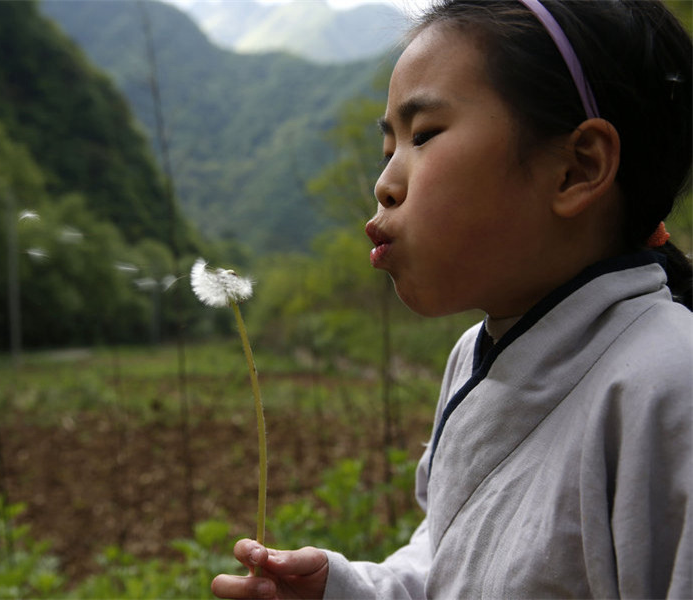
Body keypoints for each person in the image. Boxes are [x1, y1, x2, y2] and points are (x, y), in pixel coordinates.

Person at [211, 0, 693, 597]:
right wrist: (342, 591)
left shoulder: (670, 385)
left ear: (577, 167)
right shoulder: (472, 356)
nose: (385, 184)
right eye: (389, 149)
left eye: (424, 135)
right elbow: (450, 561)